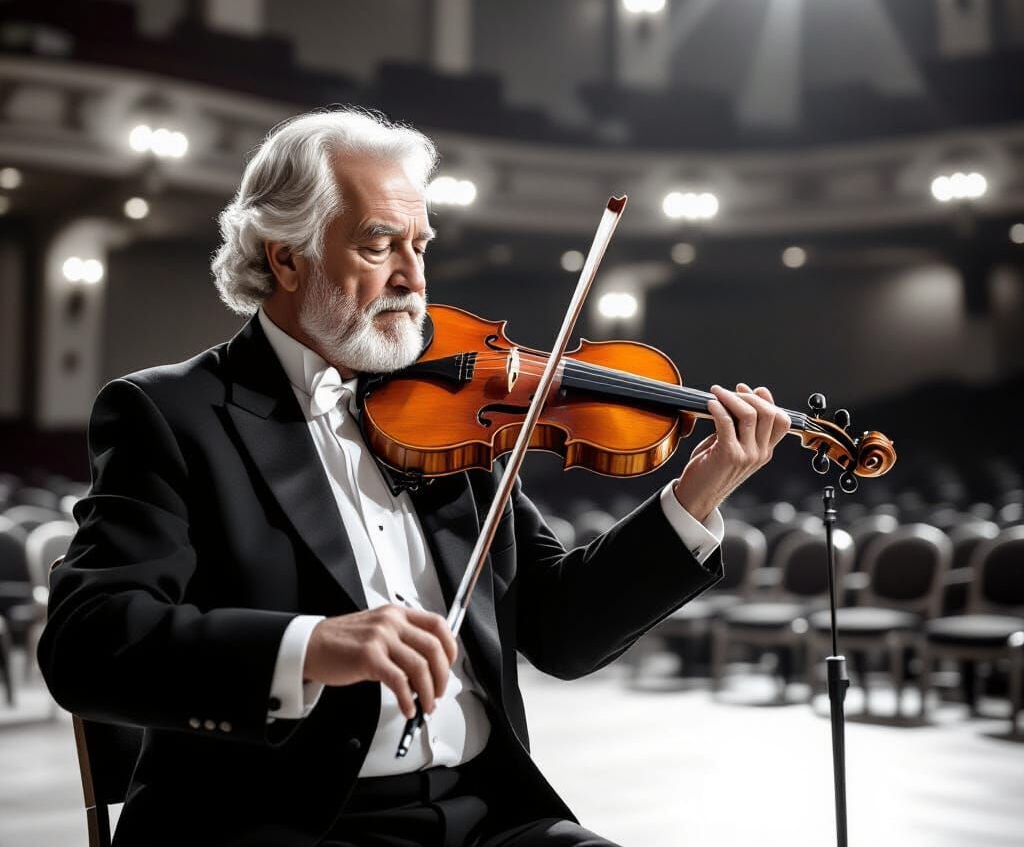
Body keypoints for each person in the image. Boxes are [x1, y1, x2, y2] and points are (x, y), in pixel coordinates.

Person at [39, 108, 792, 847]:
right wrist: (315, 646)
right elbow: (87, 643)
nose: (412, 278)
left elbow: (562, 633)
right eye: (378, 246)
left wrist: (698, 495)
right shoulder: (171, 413)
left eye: (420, 246)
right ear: (287, 257)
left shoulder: (449, 414)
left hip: (487, 814)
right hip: (284, 819)